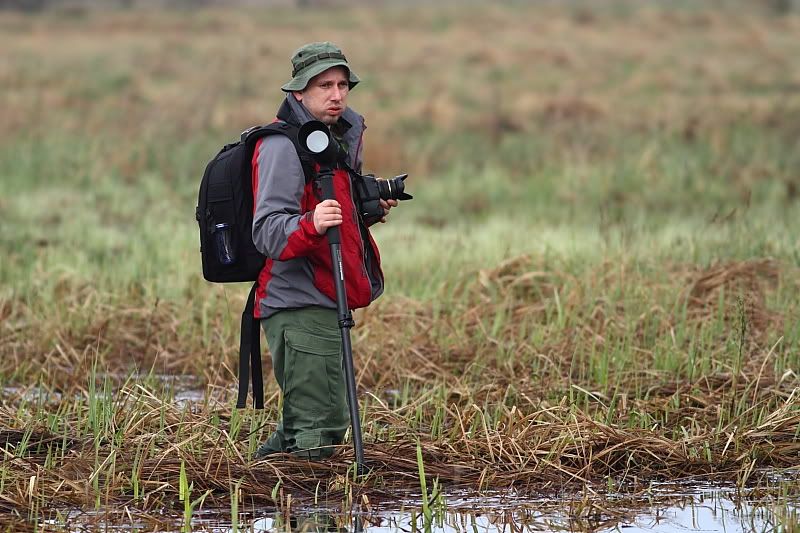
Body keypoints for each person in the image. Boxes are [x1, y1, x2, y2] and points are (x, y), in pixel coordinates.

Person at [251, 42, 397, 459]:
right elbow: (267, 232)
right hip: (298, 304)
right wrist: (312, 223)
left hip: (322, 300)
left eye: (342, 85)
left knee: (305, 424)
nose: (337, 95)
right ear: (298, 93)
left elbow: (326, 218)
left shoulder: (332, 140)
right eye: (324, 86)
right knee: (322, 429)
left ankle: (267, 496)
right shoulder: (282, 147)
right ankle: (312, 514)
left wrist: (363, 212)